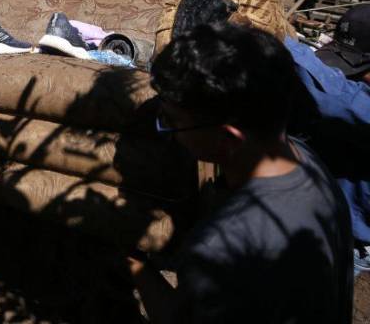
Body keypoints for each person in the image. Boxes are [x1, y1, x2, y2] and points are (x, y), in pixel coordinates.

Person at [129, 22, 353, 324]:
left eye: (172, 121)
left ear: (229, 138)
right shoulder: (309, 163)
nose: (170, 133)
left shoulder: (219, 245)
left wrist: (135, 265)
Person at [284, 5, 370, 275]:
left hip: (343, 240)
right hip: (312, 217)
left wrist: (275, 37)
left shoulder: (354, 103)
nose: (347, 75)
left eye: (359, 69)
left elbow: (335, 96)